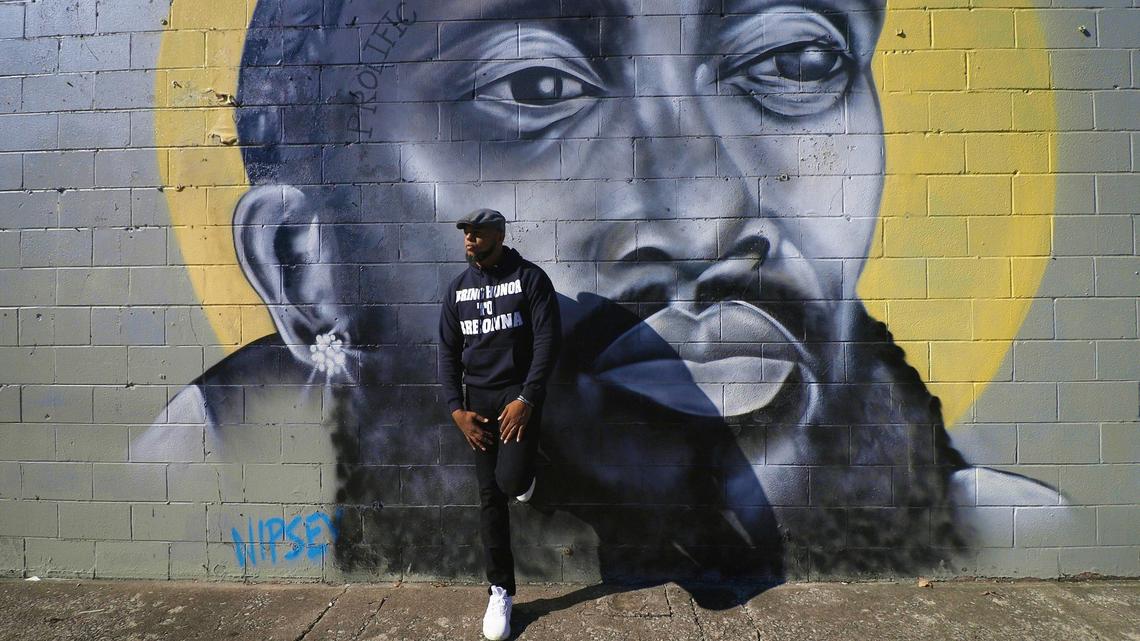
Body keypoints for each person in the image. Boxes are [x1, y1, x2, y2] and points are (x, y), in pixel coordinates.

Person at [140, 0, 1063, 597]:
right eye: (535, 86)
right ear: (308, 270)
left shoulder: (1004, 536)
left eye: (790, 61)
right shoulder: (196, 498)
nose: (705, 212)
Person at [438, 208, 561, 640]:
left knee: (509, 482)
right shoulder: (457, 290)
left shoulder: (529, 279)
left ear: (499, 235)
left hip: (518, 395)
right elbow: (448, 354)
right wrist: (457, 411)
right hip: (478, 400)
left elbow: (548, 340)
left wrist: (527, 399)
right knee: (490, 497)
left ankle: (525, 471)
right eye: (466, 234)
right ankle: (500, 591)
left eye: (477, 233)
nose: (470, 240)